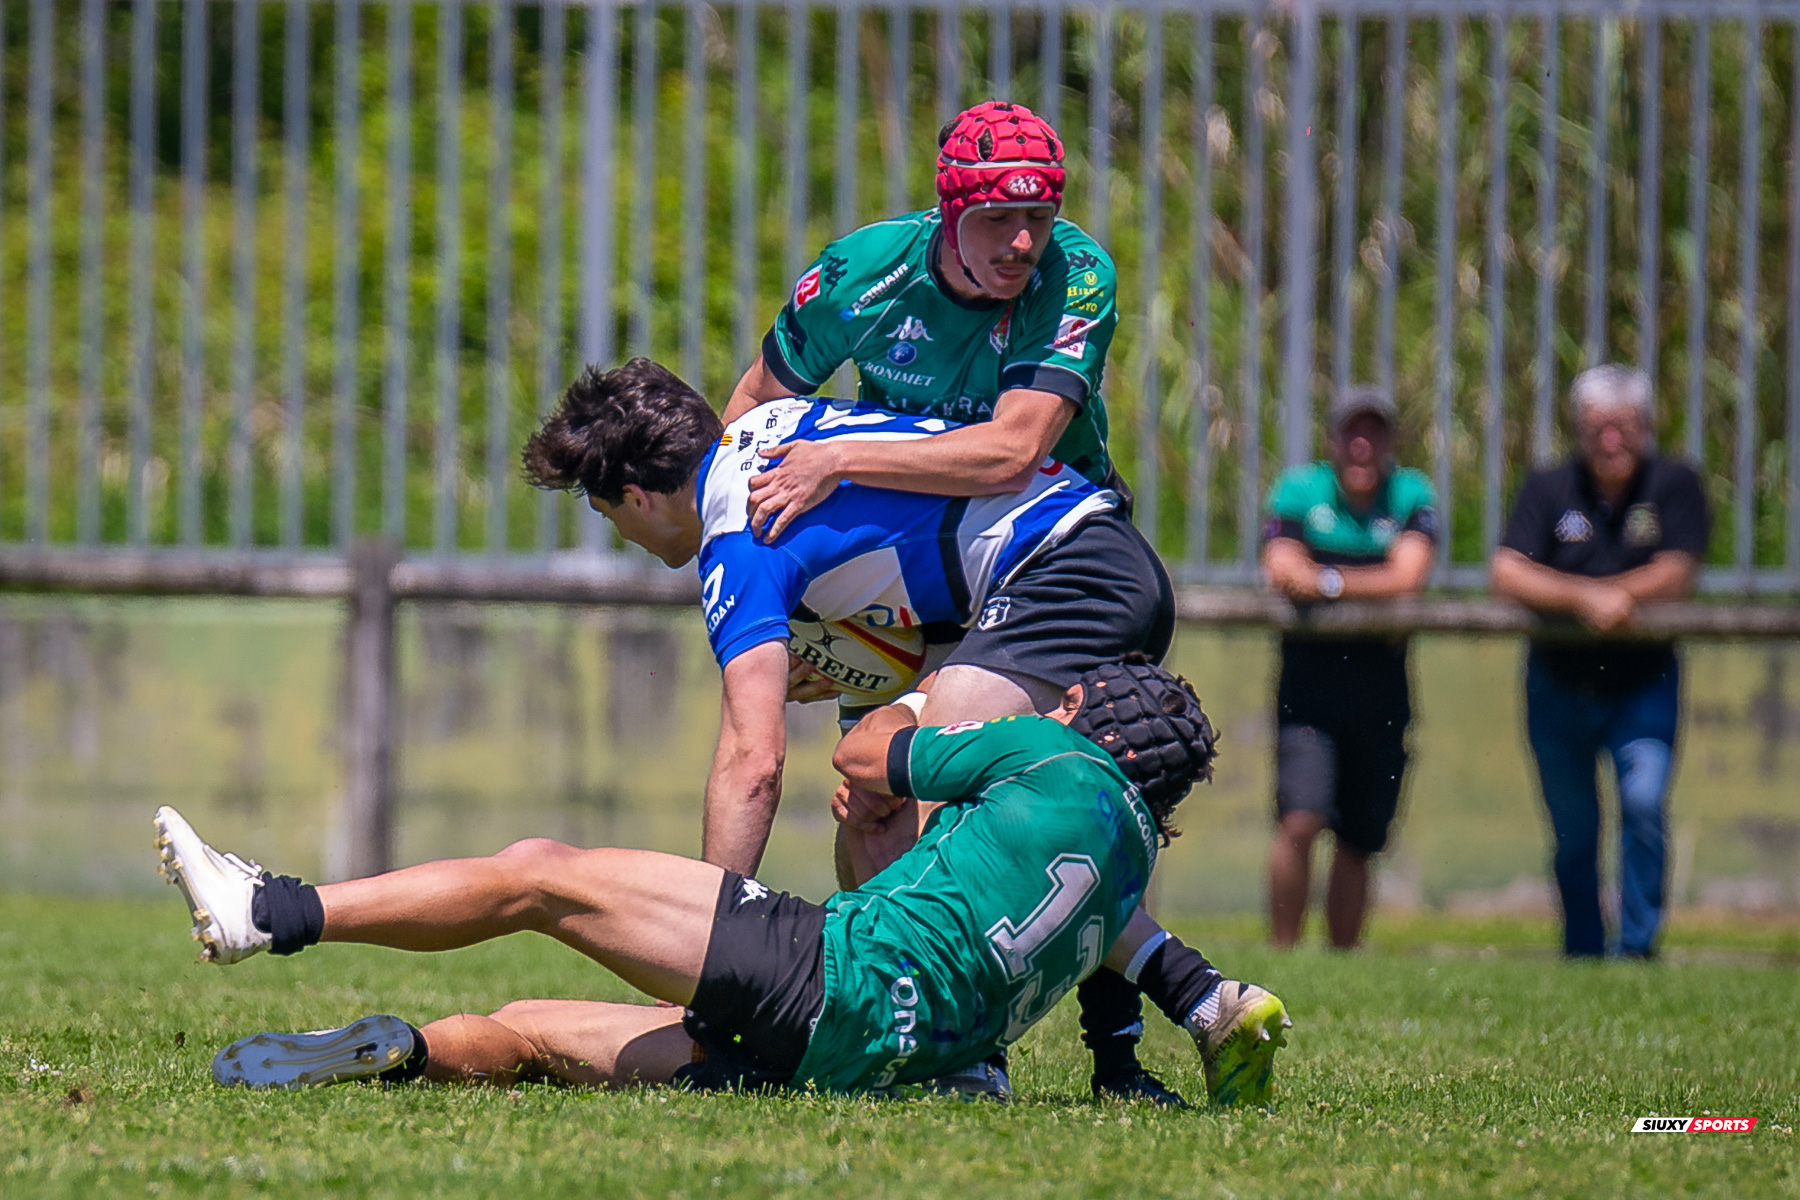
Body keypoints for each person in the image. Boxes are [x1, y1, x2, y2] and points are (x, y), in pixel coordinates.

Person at [522, 357, 1230, 1104]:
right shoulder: (764, 435)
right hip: (1091, 559)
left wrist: (709, 955)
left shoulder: (741, 532)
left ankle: (992, 1052)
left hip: (1061, 569)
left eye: (610, 516)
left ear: (637, 495)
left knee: (916, 794)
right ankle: (1155, 1035)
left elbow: (752, 758)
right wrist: (884, 663)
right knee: (887, 815)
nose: (623, 536)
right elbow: (915, 546)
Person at [152, 659, 1291, 1106]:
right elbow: (1146, 962)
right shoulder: (1130, 867)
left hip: (821, 969)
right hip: (870, 1065)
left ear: (1095, 722)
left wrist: (920, 689)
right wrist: (1206, 1013)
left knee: (542, 876)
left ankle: (272, 911)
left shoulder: (1048, 753)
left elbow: (859, 759)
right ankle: (394, 1049)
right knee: (530, 1036)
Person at [723, 100, 1127, 544]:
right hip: (912, 524)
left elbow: (1014, 453)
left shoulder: (1076, 272)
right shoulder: (856, 275)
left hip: (1058, 521)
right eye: (997, 217)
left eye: (1038, 215)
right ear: (951, 215)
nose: (1023, 241)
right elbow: (754, 401)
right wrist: (719, 519)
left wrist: (836, 459)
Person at [1489, 364, 1709, 959]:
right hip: (1559, 683)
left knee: (1642, 804)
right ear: (1579, 430)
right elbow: (1507, 570)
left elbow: (1680, 570)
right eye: (1596, 427)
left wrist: (1624, 595)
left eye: (1622, 426)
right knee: (1575, 830)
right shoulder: (1548, 488)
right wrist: (1588, 598)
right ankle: (1583, 947)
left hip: (1644, 686)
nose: (1609, 439)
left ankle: (1638, 947)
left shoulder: (1674, 485)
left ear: (1646, 427)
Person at [1260, 387, 1439, 949]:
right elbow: (1282, 569)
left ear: (1390, 441)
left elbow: (1409, 578)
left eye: (1375, 432)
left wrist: (1329, 582)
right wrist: (1370, 588)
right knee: (1300, 821)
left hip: (1382, 688)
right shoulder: (1298, 489)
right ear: (1332, 440)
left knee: (1360, 837)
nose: (1363, 445)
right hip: (1309, 688)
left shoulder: (1411, 492)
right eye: (1352, 432)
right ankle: (1284, 952)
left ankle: (1343, 958)